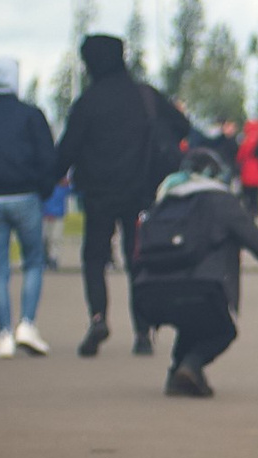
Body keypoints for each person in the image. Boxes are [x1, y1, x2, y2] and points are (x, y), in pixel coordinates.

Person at [55, 32, 193, 359]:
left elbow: (67, 151)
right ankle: (143, 332)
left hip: (98, 193)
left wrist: (44, 179)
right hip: (140, 192)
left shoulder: (87, 103)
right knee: (137, 261)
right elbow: (182, 126)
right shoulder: (145, 96)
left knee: (94, 258)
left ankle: (98, 318)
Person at [131, 147, 258, 397]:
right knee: (223, 331)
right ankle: (191, 364)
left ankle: (178, 373)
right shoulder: (222, 201)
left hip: (150, 292)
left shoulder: (165, 199)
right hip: (203, 287)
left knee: (191, 322)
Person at [0, 56, 59, 359]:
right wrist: (43, 190)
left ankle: (3, 333)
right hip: (26, 195)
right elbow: (48, 158)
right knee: (33, 261)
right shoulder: (31, 115)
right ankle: (27, 324)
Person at [236, 117, 258, 216]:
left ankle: (249, 212)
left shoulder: (245, 141)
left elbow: (239, 156)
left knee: (247, 194)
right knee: (255, 195)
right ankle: (256, 211)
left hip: (246, 170)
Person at [42, 179, 69, 271]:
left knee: (55, 238)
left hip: (58, 215)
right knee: (44, 238)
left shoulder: (62, 187)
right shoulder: (44, 185)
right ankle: (44, 259)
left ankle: (53, 258)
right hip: (45, 215)